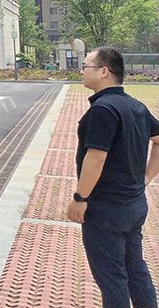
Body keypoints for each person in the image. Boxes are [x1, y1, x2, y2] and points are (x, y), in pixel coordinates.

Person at [67, 46, 159, 308]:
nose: (81, 71)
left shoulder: (103, 110)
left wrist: (80, 198)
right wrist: (146, 178)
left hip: (106, 210)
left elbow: (96, 159)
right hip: (134, 206)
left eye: (86, 66)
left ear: (104, 71)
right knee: (136, 272)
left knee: (113, 280)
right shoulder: (136, 106)